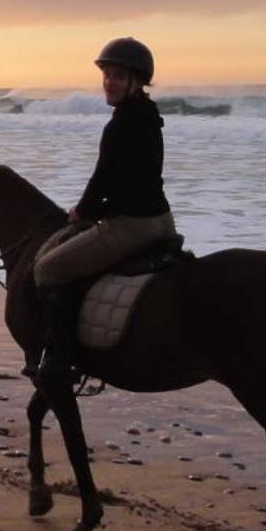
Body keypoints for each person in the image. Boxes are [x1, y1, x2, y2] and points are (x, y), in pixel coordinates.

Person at [30, 37, 177, 377]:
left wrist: (83, 212)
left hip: (132, 225)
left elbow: (103, 179)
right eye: (107, 75)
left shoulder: (121, 123)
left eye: (118, 76)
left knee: (47, 270)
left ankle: (61, 359)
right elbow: (130, 177)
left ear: (136, 81)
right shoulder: (150, 114)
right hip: (162, 220)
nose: (109, 82)